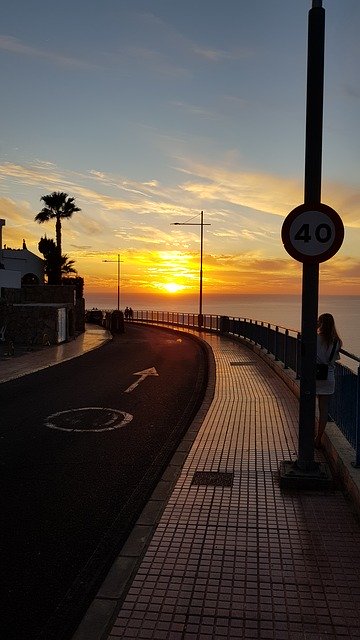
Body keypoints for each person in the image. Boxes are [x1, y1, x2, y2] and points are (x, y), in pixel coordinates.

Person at [315, 313, 342, 448]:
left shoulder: (315, 338)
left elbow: (304, 341)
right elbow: (335, 358)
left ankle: (308, 433)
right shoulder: (337, 341)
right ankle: (318, 438)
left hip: (314, 376)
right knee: (323, 409)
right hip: (328, 377)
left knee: (308, 406)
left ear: (320, 324)